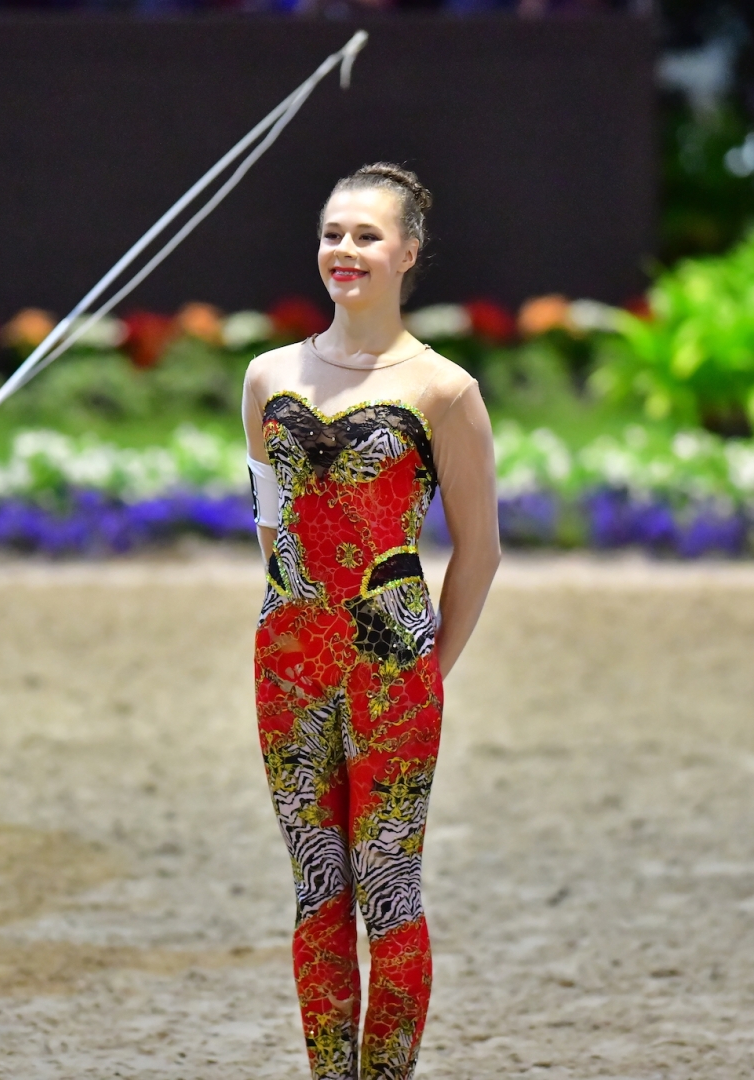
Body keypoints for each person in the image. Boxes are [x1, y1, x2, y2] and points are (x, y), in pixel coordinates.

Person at [242, 163, 500, 1080]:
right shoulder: (268, 376)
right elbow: (270, 520)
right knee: (318, 890)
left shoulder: (444, 390)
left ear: (408, 253)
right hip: (287, 664)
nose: (343, 250)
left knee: (388, 890)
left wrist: (429, 668)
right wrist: (293, 613)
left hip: (392, 671)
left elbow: (480, 551)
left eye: (366, 235)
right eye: (332, 234)